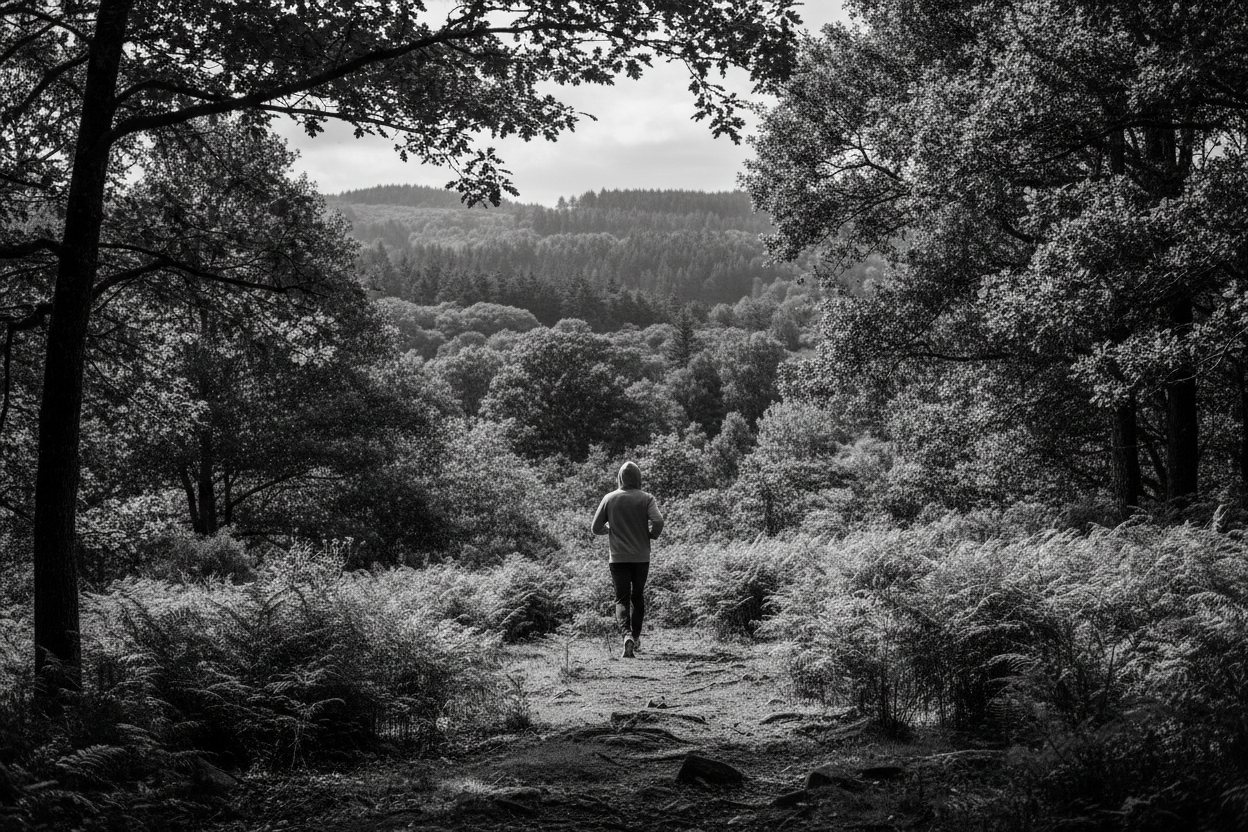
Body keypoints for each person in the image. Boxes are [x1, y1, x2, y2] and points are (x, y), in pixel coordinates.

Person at [591, 461, 664, 658]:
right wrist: (652, 535)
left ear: (620, 478)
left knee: (621, 599)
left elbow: (595, 528)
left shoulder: (609, 498)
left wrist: (610, 530)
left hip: (617, 558)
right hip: (641, 557)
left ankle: (626, 636)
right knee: (637, 596)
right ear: (638, 478)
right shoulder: (646, 498)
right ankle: (637, 637)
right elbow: (658, 521)